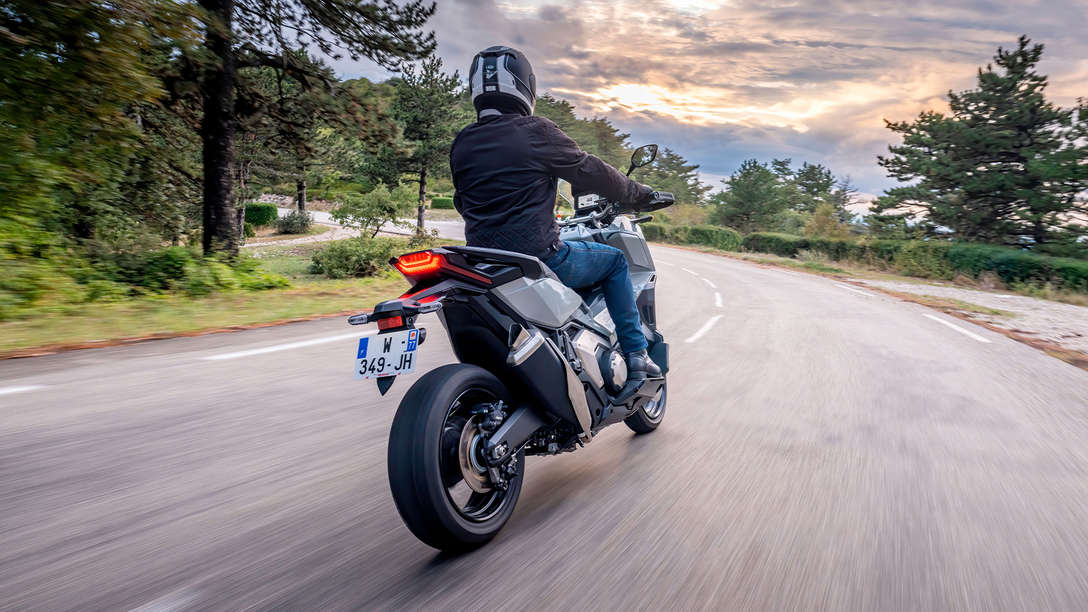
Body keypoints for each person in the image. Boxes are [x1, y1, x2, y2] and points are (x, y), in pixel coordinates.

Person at [449, 46, 661, 379]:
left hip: (484, 261)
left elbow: (462, 201)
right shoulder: (535, 131)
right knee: (615, 262)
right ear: (525, 85)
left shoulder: (463, 142)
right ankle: (636, 355)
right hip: (538, 256)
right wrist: (639, 194)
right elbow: (591, 171)